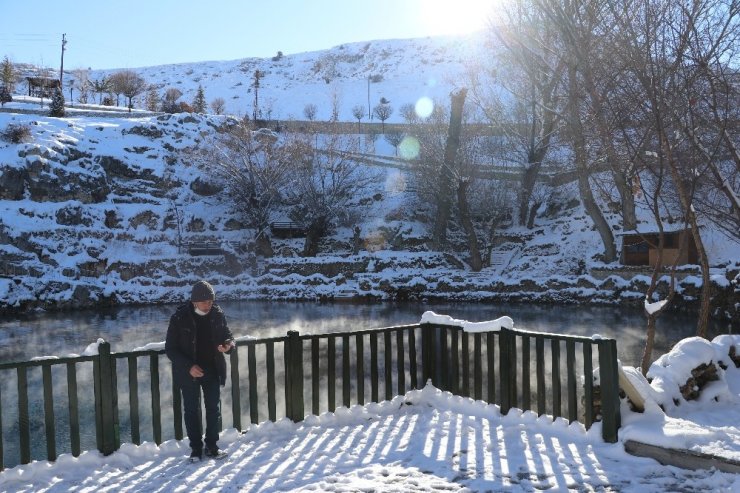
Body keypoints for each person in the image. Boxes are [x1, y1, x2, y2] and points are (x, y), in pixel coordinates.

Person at [166, 280, 235, 461]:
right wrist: (189, 366)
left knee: (213, 409)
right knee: (191, 410)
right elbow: (171, 349)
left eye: (211, 301)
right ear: (194, 301)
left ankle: (211, 446)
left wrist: (228, 345)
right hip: (189, 373)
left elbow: (228, 336)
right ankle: (196, 449)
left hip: (212, 369)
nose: (208, 305)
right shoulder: (179, 318)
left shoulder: (217, 314)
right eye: (204, 302)